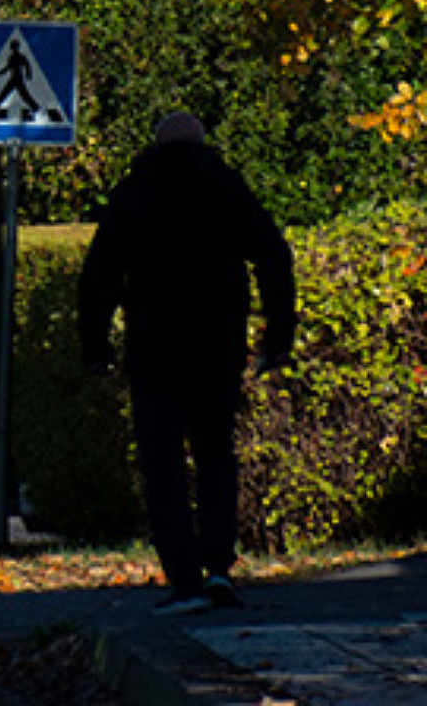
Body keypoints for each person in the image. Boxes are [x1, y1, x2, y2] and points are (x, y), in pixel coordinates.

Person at [77, 111, 296, 616]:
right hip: (218, 341)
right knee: (217, 453)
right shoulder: (226, 186)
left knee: (163, 463)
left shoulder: (137, 190)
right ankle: (220, 566)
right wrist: (277, 335)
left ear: (156, 143)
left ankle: (185, 577)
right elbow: (273, 256)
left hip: (156, 344)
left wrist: (96, 348)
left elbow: (99, 275)